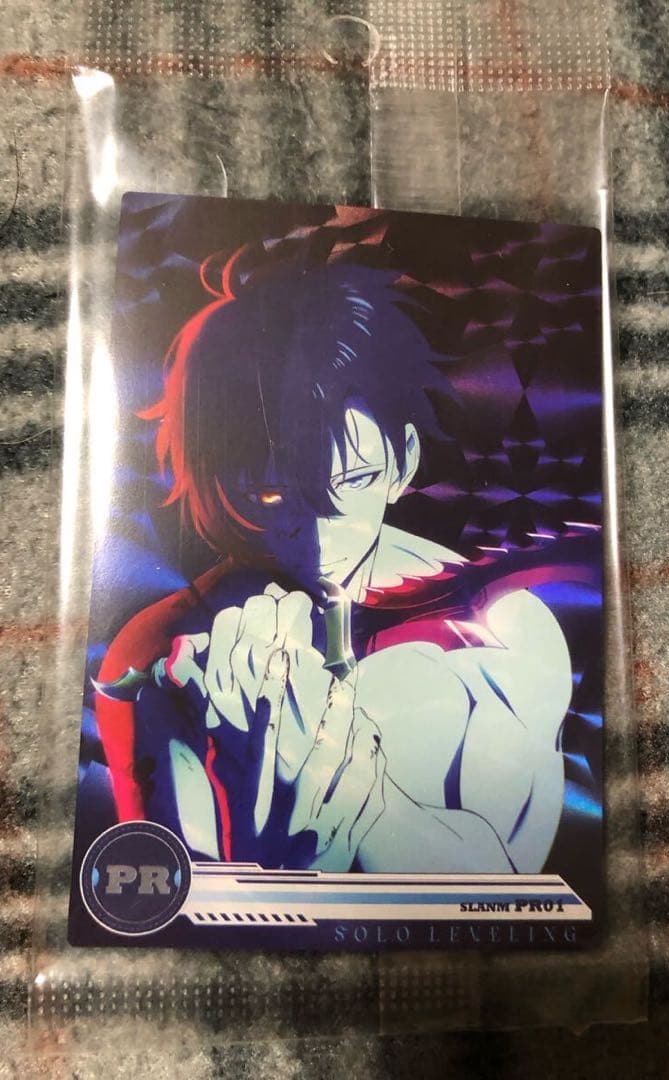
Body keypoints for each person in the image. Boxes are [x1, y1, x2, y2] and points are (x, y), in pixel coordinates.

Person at [95, 253, 572, 874]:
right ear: (222, 479)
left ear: (402, 462)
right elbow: (164, 891)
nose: (321, 543)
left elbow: (508, 890)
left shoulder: (503, 633)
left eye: (354, 480)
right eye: (272, 493)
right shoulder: (160, 650)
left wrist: (359, 802)